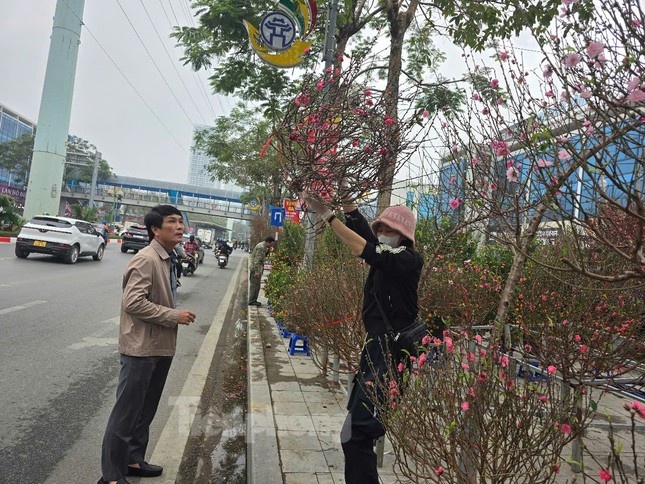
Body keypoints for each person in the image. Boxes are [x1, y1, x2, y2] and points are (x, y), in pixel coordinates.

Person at [301, 192, 423, 484]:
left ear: (404, 235)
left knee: (356, 434)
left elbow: (365, 248)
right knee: (355, 433)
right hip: (375, 349)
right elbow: (365, 236)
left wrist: (328, 216)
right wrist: (346, 198)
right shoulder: (386, 254)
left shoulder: (407, 259)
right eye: (381, 227)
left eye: (389, 230)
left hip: (391, 354)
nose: (382, 233)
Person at [98, 205, 197, 484]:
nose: (179, 226)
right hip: (141, 348)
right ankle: (112, 476)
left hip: (159, 346)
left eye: (180, 221)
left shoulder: (166, 257)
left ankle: (133, 459)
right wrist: (173, 316)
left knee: (145, 411)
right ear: (155, 229)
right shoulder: (146, 259)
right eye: (172, 222)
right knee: (126, 414)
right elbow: (133, 303)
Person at [248, 236, 276, 306]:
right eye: (271, 244)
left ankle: (253, 300)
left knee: (256, 285)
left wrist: (268, 251)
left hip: (257, 268)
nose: (271, 246)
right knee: (255, 286)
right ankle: (252, 301)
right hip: (255, 269)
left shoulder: (263, 247)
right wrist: (257, 271)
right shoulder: (261, 248)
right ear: (267, 242)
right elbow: (257, 261)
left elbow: (262, 257)